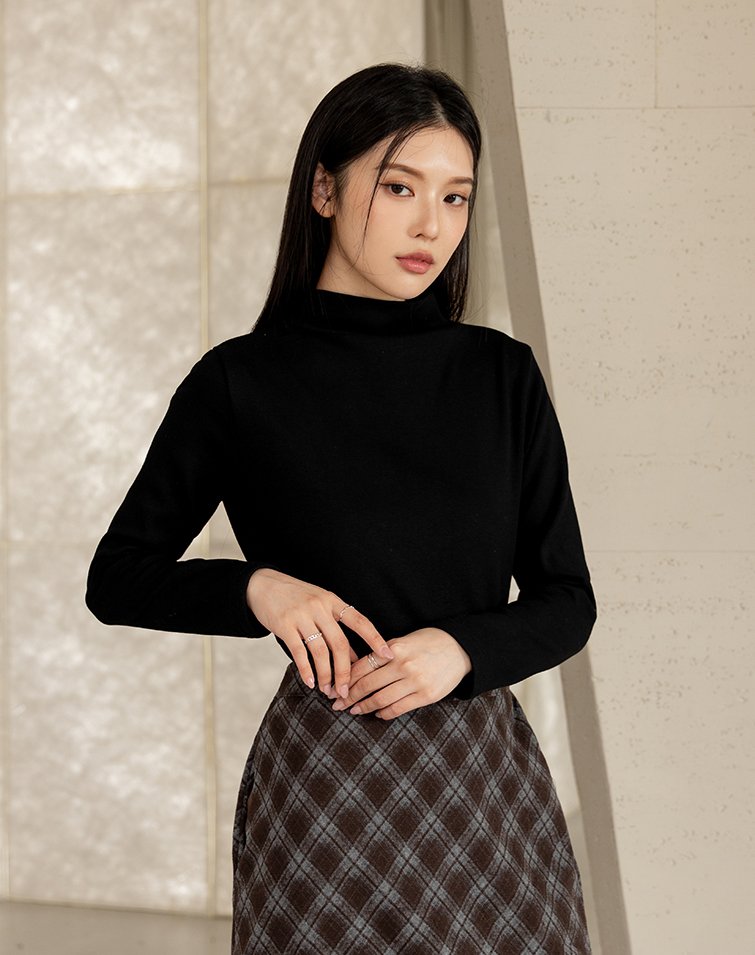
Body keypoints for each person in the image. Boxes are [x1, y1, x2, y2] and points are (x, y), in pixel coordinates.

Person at [86, 62, 596, 954]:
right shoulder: (239, 382)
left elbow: (567, 599)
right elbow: (117, 577)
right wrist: (260, 588)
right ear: (323, 189)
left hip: (483, 784)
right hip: (326, 789)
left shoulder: (500, 375)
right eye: (399, 187)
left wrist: (460, 648)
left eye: (454, 197)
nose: (430, 224)